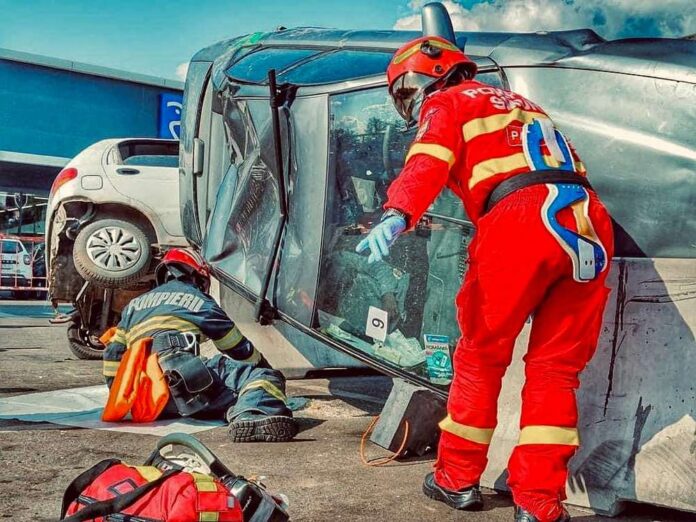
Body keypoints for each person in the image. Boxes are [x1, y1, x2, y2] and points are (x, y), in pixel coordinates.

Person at [357, 36, 614, 522]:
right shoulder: (524, 106)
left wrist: (397, 214)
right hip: (587, 222)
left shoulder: (447, 102)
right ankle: (539, 503)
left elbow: (428, 162)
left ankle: (456, 478)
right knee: (557, 371)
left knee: (480, 356)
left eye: (405, 91)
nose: (408, 103)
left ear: (428, 78)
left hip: (521, 221)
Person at [102, 247, 298, 443]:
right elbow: (237, 347)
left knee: (215, 393)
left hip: (149, 400)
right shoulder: (197, 299)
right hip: (185, 382)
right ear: (198, 277)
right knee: (262, 378)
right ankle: (253, 414)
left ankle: (230, 410)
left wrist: (124, 397)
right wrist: (263, 367)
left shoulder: (133, 306)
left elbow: (112, 355)